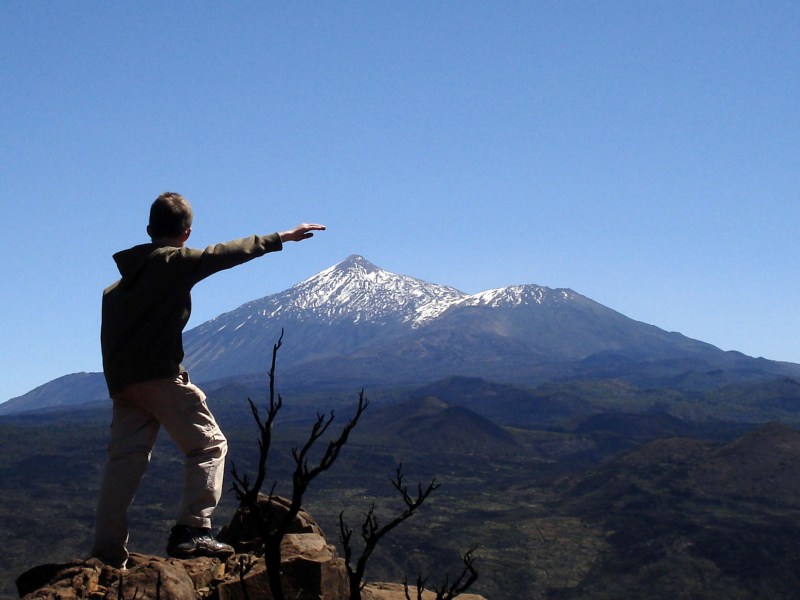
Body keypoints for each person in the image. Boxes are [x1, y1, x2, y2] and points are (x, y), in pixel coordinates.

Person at [92, 192, 325, 569]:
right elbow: (223, 254)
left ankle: (106, 552)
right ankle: (193, 529)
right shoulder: (172, 262)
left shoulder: (115, 291)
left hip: (123, 384)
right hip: (160, 377)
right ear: (186, 233)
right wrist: (284, 236)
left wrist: (119, 384)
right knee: (209, 446)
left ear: (150, 229)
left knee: (124, 463)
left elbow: (109, 339)